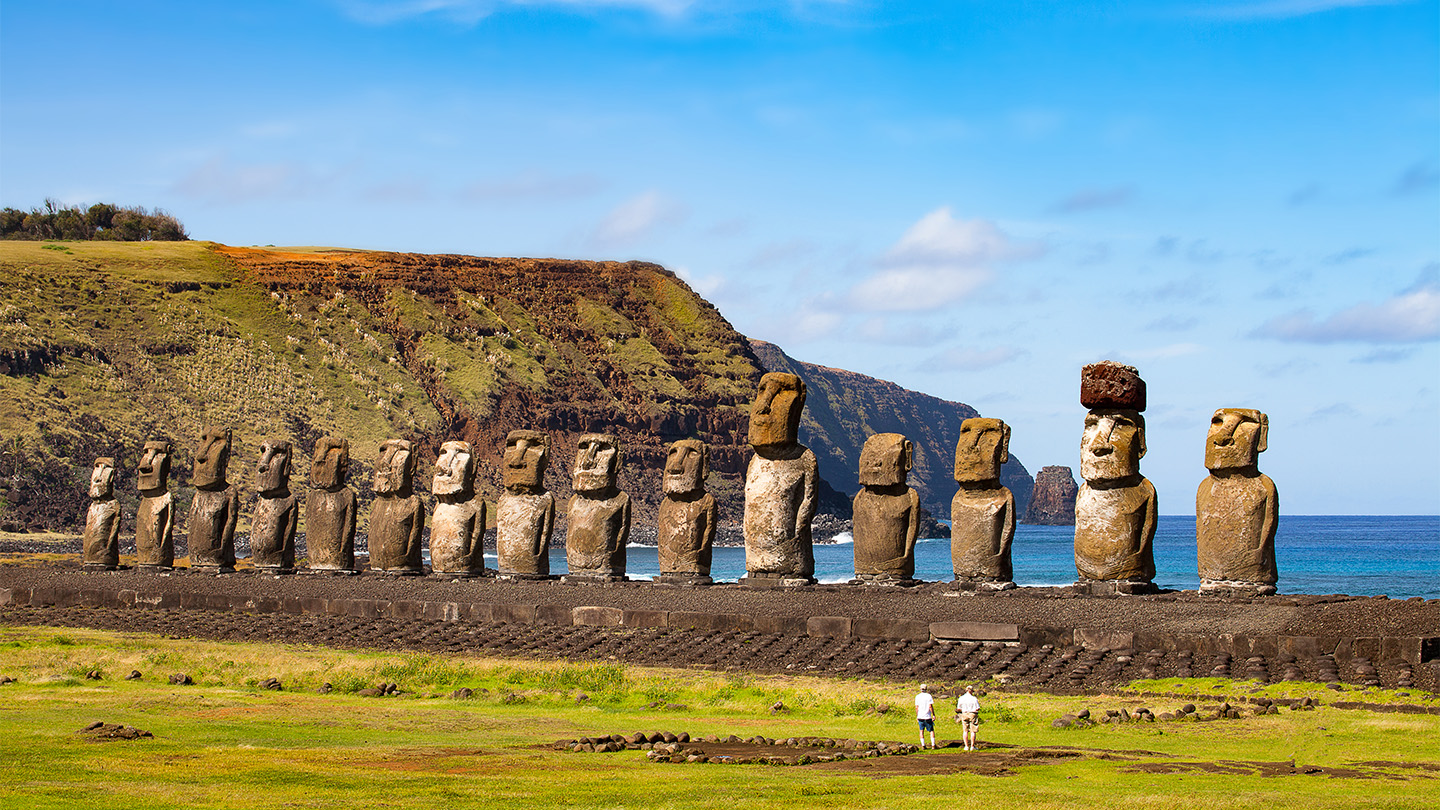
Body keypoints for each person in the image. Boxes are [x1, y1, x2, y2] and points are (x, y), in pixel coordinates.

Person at [955, 685, 981, 751]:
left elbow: (958, 708)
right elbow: (977, 708)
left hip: (964, 713)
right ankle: (972, 746)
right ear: (971, 691)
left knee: (965, 730)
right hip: (972, 713)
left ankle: (966, 746)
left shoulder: (961, 698)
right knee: (973, 731)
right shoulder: (974, 698)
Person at [914, 683, 936, 749]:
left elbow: (916, 707)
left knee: (921, 730)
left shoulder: (917, 696)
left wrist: (917, 715)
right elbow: (930, 706)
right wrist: (933, 714)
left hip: (920, 716)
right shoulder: (928, 696)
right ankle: (933, 745)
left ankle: (923, 745)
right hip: (927, 716)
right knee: (931, 731)